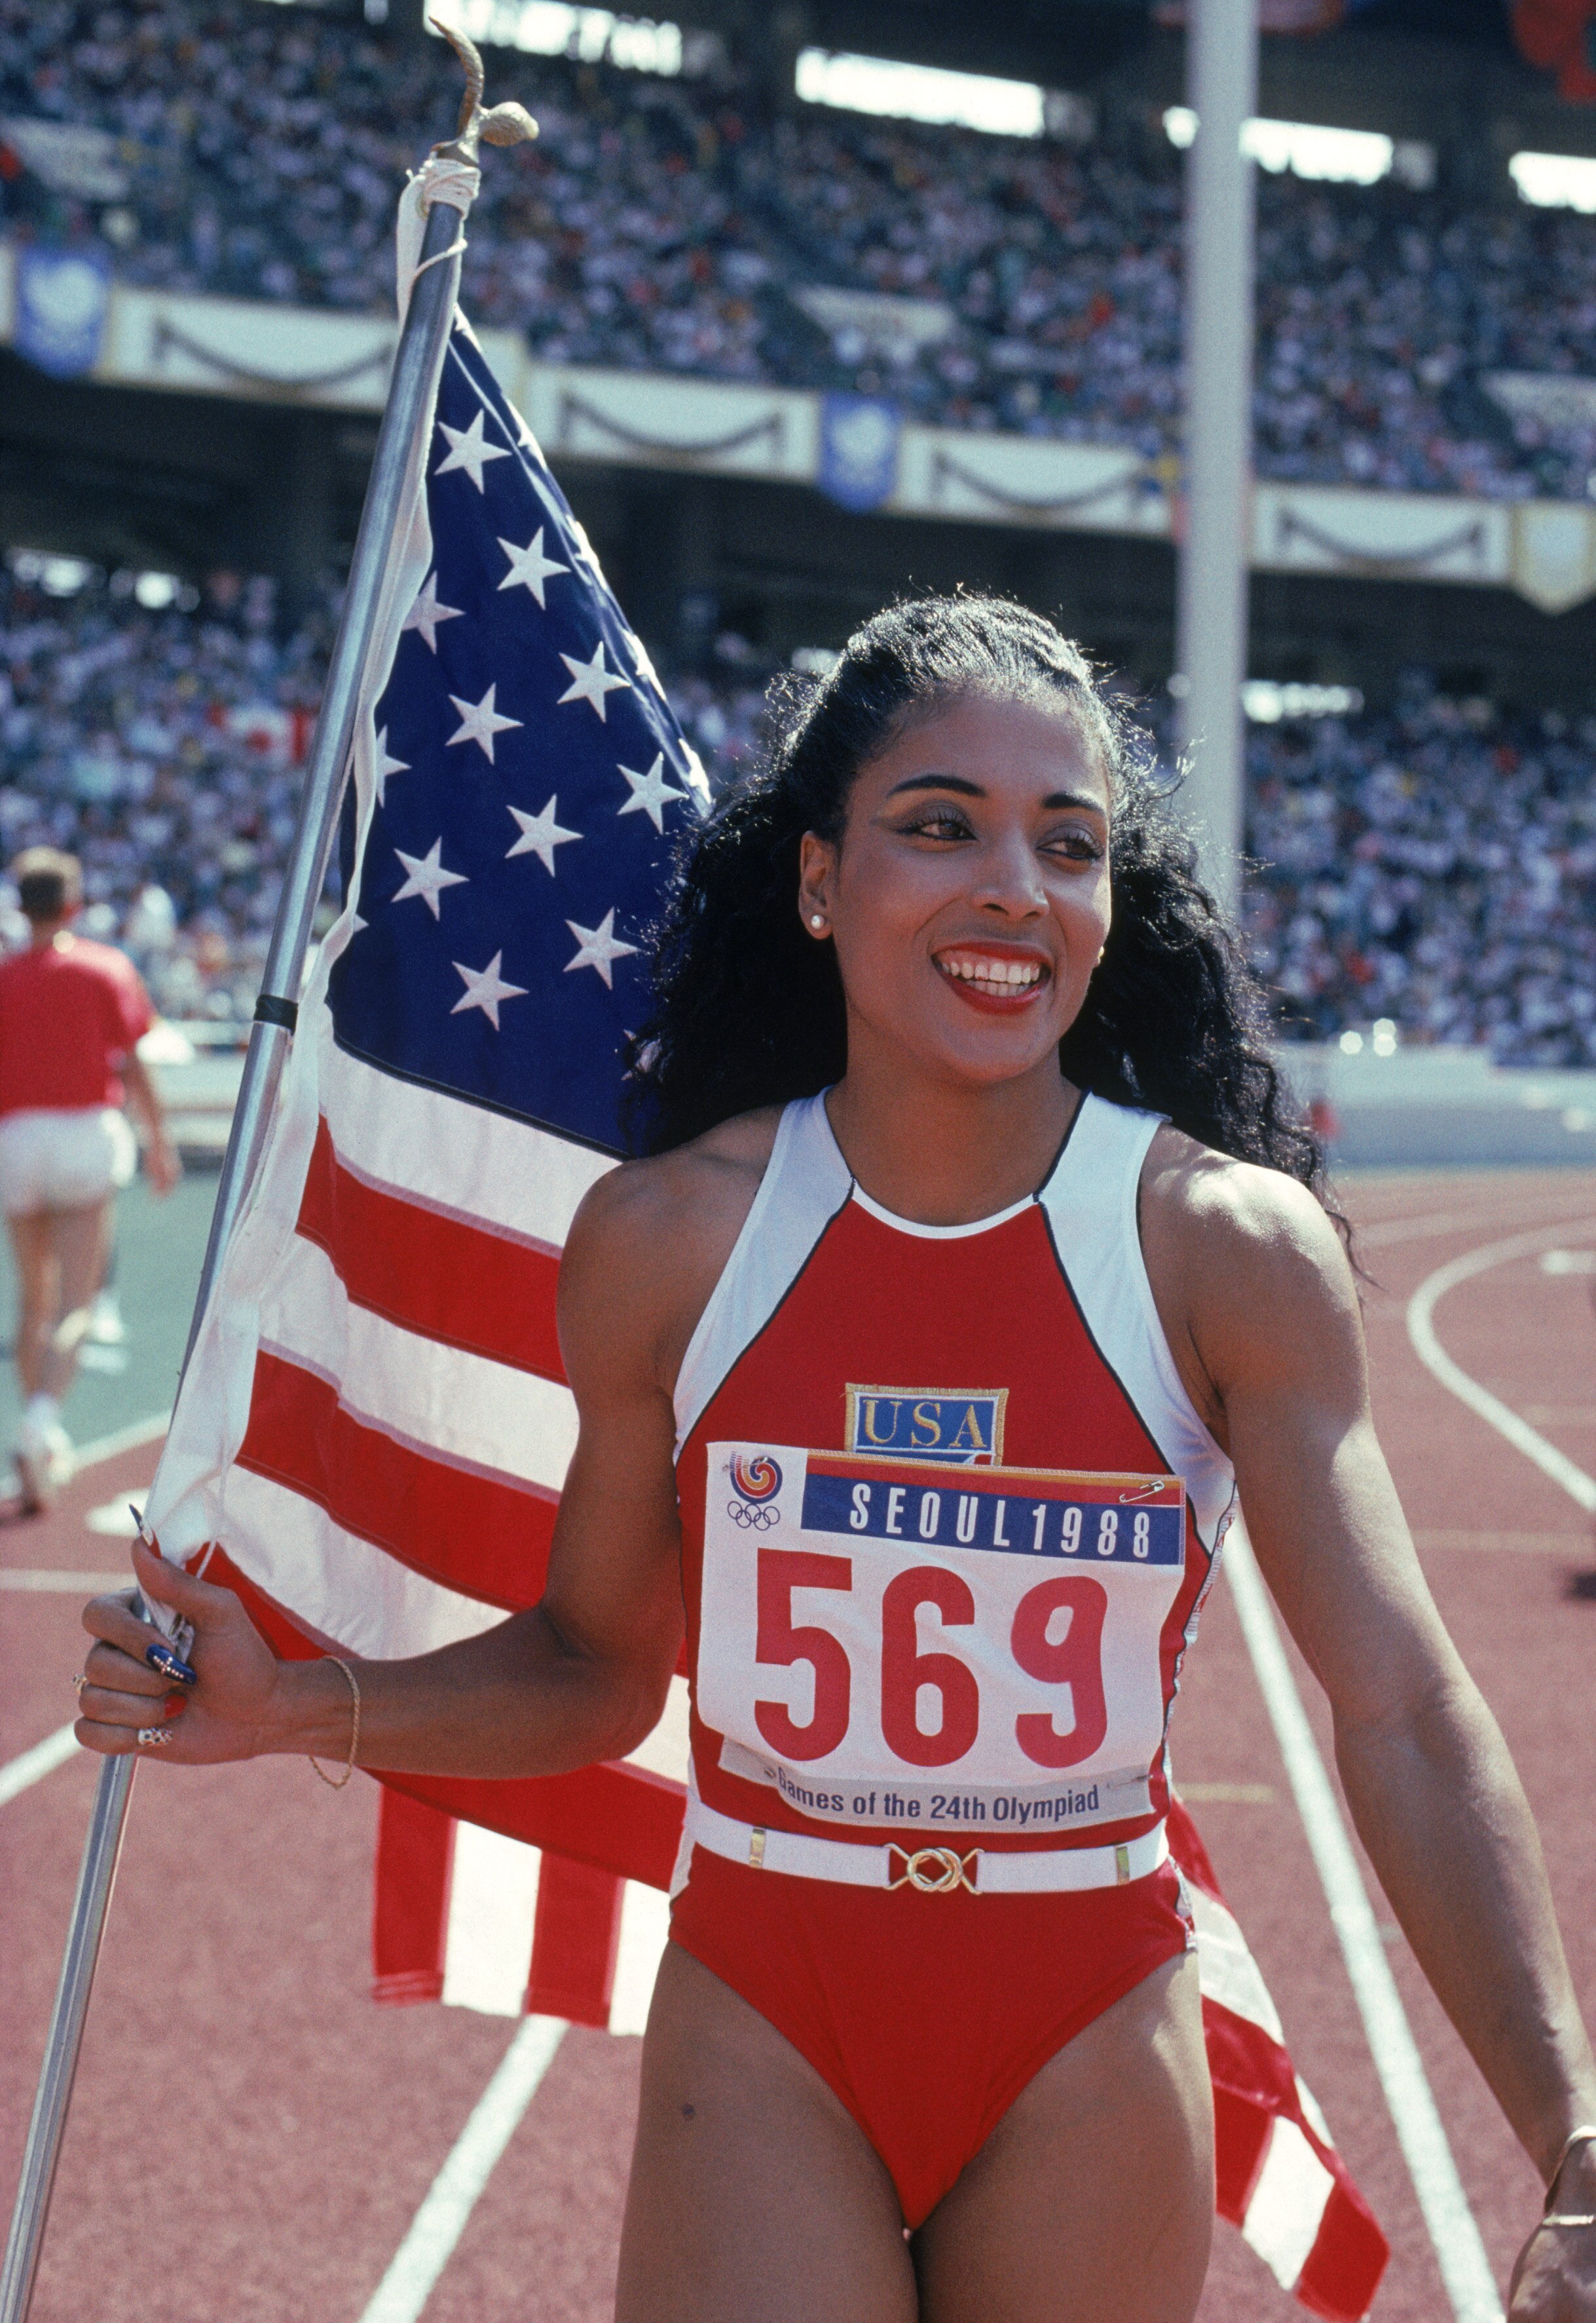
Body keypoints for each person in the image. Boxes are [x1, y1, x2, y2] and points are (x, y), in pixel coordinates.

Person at [75, 601, 1594, 2322]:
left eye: (1066, 843)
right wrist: (302, 1706)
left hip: (1084, 2030)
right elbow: (591, 1669)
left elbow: (1394, 1706)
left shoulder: (1216, 1249)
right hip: (767, 2019)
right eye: (939, 824)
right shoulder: (667, 1240)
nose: (1013, 882)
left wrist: (1571, 2135)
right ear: (817, 880)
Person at [1, 847, 180, 1506]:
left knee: (33, 1301)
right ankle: (40, 1423)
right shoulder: (106, 968)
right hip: (83, 1133)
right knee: (78, 1302)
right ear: (74, 905)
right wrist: (159, 1143)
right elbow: (135, 1065)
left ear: (22, 907)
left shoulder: (5, 977)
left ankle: (35, 1436)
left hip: (16, 1135)